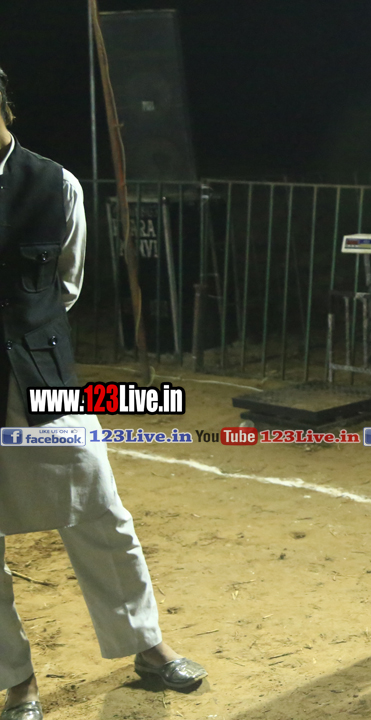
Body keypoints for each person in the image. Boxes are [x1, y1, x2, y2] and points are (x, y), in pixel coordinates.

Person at [0, 66, 205, 720]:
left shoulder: (55, 184)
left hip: (41, 376)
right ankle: (16, 681)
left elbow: (65, 284)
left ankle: (146, 645)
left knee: (99, 510)